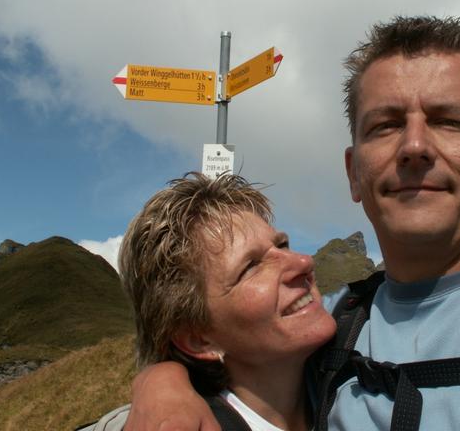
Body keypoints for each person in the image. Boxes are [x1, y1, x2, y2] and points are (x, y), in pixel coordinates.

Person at [102, 16, 460, 430]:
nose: (415, 146)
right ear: (354, 173)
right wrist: (162, 380)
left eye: (450, 121)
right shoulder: (330, 326)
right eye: (384, 126)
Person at [80, 172, 336, 431]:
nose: (304, 261)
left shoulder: (352, 373)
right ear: (198, 340)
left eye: (282, 245)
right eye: (251, 266)